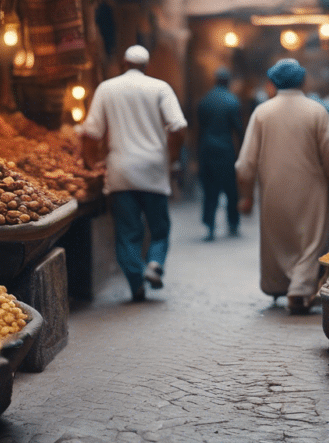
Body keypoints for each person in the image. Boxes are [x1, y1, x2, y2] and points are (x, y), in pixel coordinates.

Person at [79, 45, 187, 301]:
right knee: (159, 228)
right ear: (146, 66)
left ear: (123, 64)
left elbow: (90, 133)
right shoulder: (160, 88)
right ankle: (154, 264)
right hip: (154, 170)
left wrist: (91, 163)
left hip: (121, 171)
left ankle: (136, 281)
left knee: (128, 232)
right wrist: (172, 158)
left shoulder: (107, 88)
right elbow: (178, 127)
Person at [235, 58, 329, 315]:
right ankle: (300, 289)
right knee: (310, 240)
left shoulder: (262, 112)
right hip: (312, 190)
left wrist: (246, 195)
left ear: (272, 83)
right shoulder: (317, 111)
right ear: (303, 80)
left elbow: (245, 164)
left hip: (273, 190)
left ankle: (280, 285)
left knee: (279, 240)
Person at [197, 67, 245, 241]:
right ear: (228, 81)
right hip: (226, 151)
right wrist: (242, 153)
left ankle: (209, 224)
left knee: (210, 190)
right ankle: (233, 223)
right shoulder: (232, 101)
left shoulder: (205, 100)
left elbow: (199, 129)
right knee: (230, 189)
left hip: (207, 150)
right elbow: (238, 130)